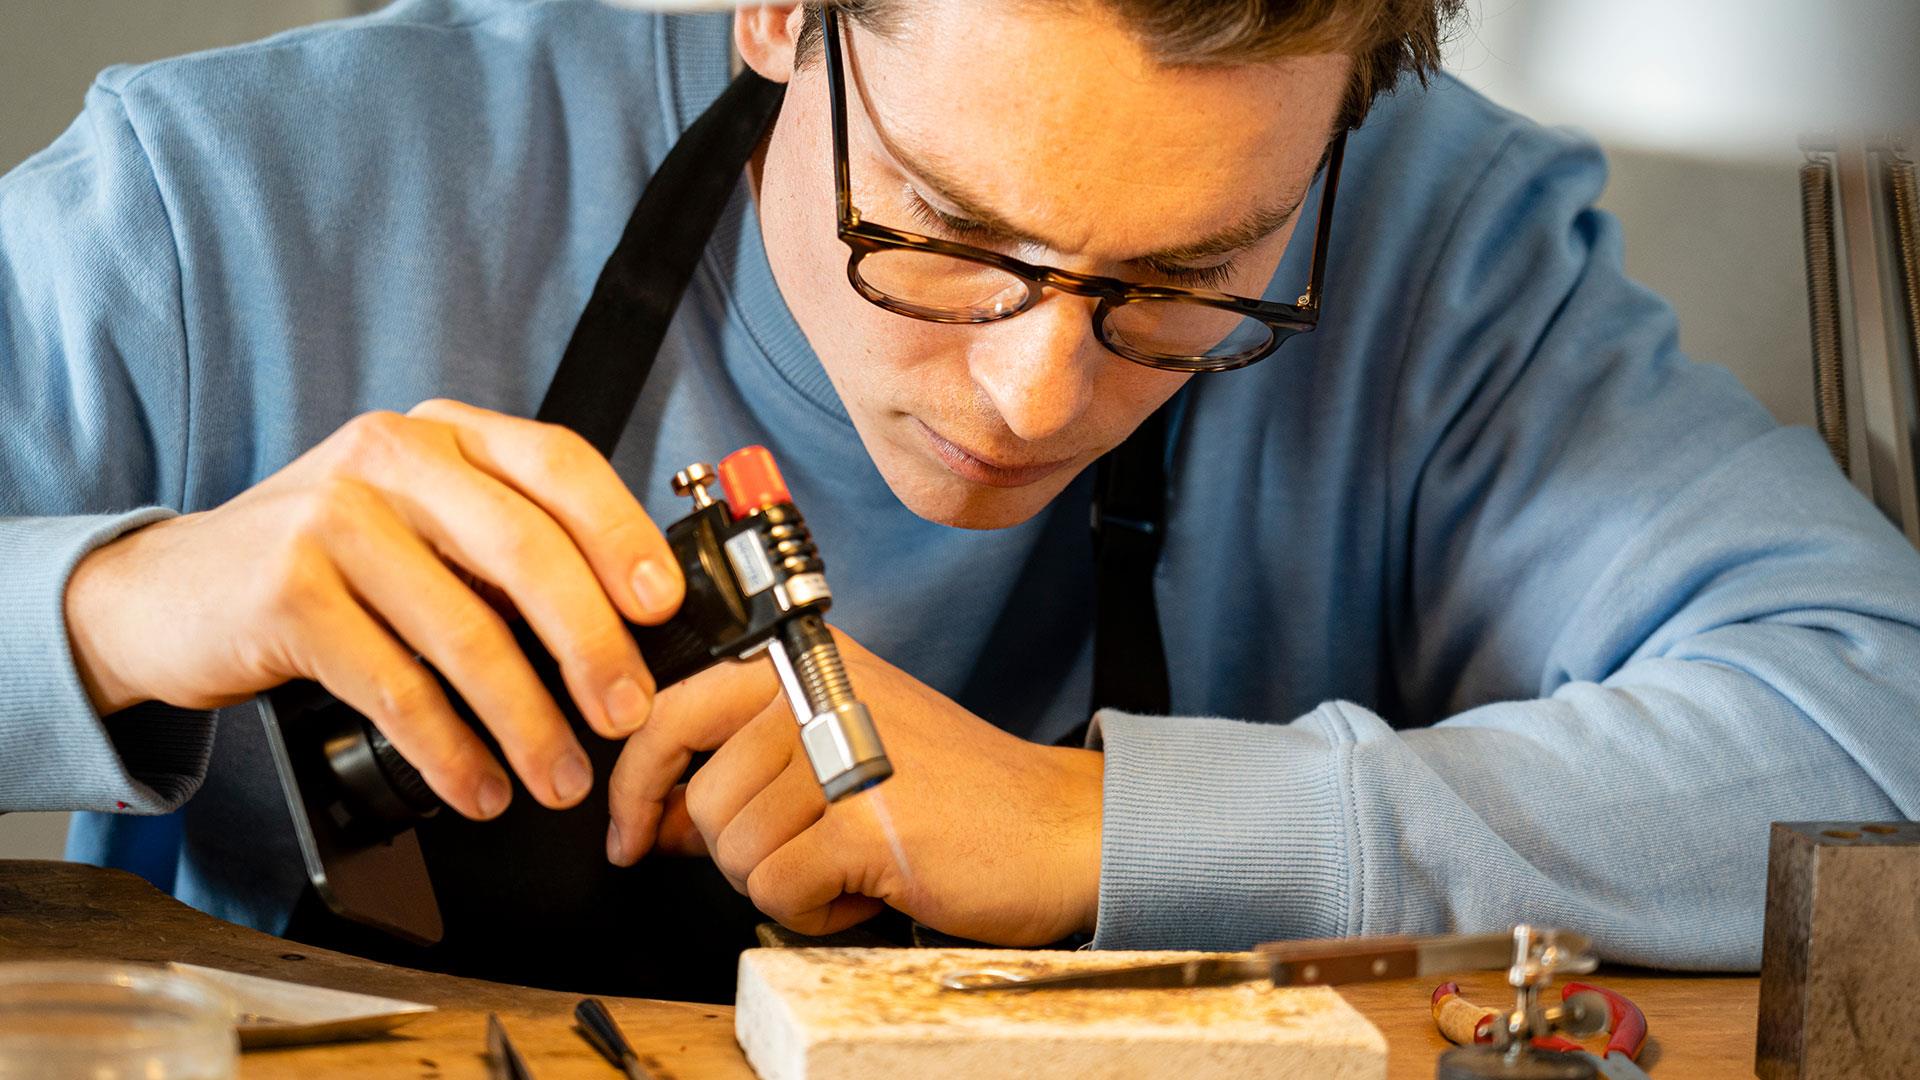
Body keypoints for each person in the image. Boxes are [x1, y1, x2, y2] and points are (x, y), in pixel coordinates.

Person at [3, 0, 1916, 998]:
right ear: (777, 15)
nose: (1034, 392)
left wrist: (1112, 829)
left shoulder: (1440, 247)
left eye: (1189, 280)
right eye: (941, 231)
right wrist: (109, 610)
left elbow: (1869, 725)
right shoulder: (229, 204)